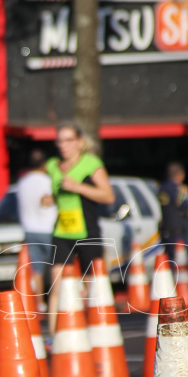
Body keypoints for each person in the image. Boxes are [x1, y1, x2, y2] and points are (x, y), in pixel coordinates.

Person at [43, 122, 115, 332]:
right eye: (60, 140)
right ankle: (55, 338)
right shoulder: (52, 166)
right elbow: (60, 196)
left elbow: (108, 196)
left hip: (87, 232)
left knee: (94, 288)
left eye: (68, 140)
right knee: (56, 286)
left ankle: (99, 333)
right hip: (62, 232)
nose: (63, 145)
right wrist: (50, 199)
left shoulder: (90, 163)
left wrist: (78, 187)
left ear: (80, 142)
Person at [16, 148, 57, 307]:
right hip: (49, 229)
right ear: (44, 164)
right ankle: (56, 298)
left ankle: (39, 302)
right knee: (56, 267)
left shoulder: (23, 182)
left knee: (36, 269)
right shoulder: (48, 181)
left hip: (29, 229)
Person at [158, 161, 188, 259]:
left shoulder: (162, 188)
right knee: (183, 264)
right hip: (179, 234)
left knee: (169, 263)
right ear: (181, 175)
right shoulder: (180, 190)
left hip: (165, 233)